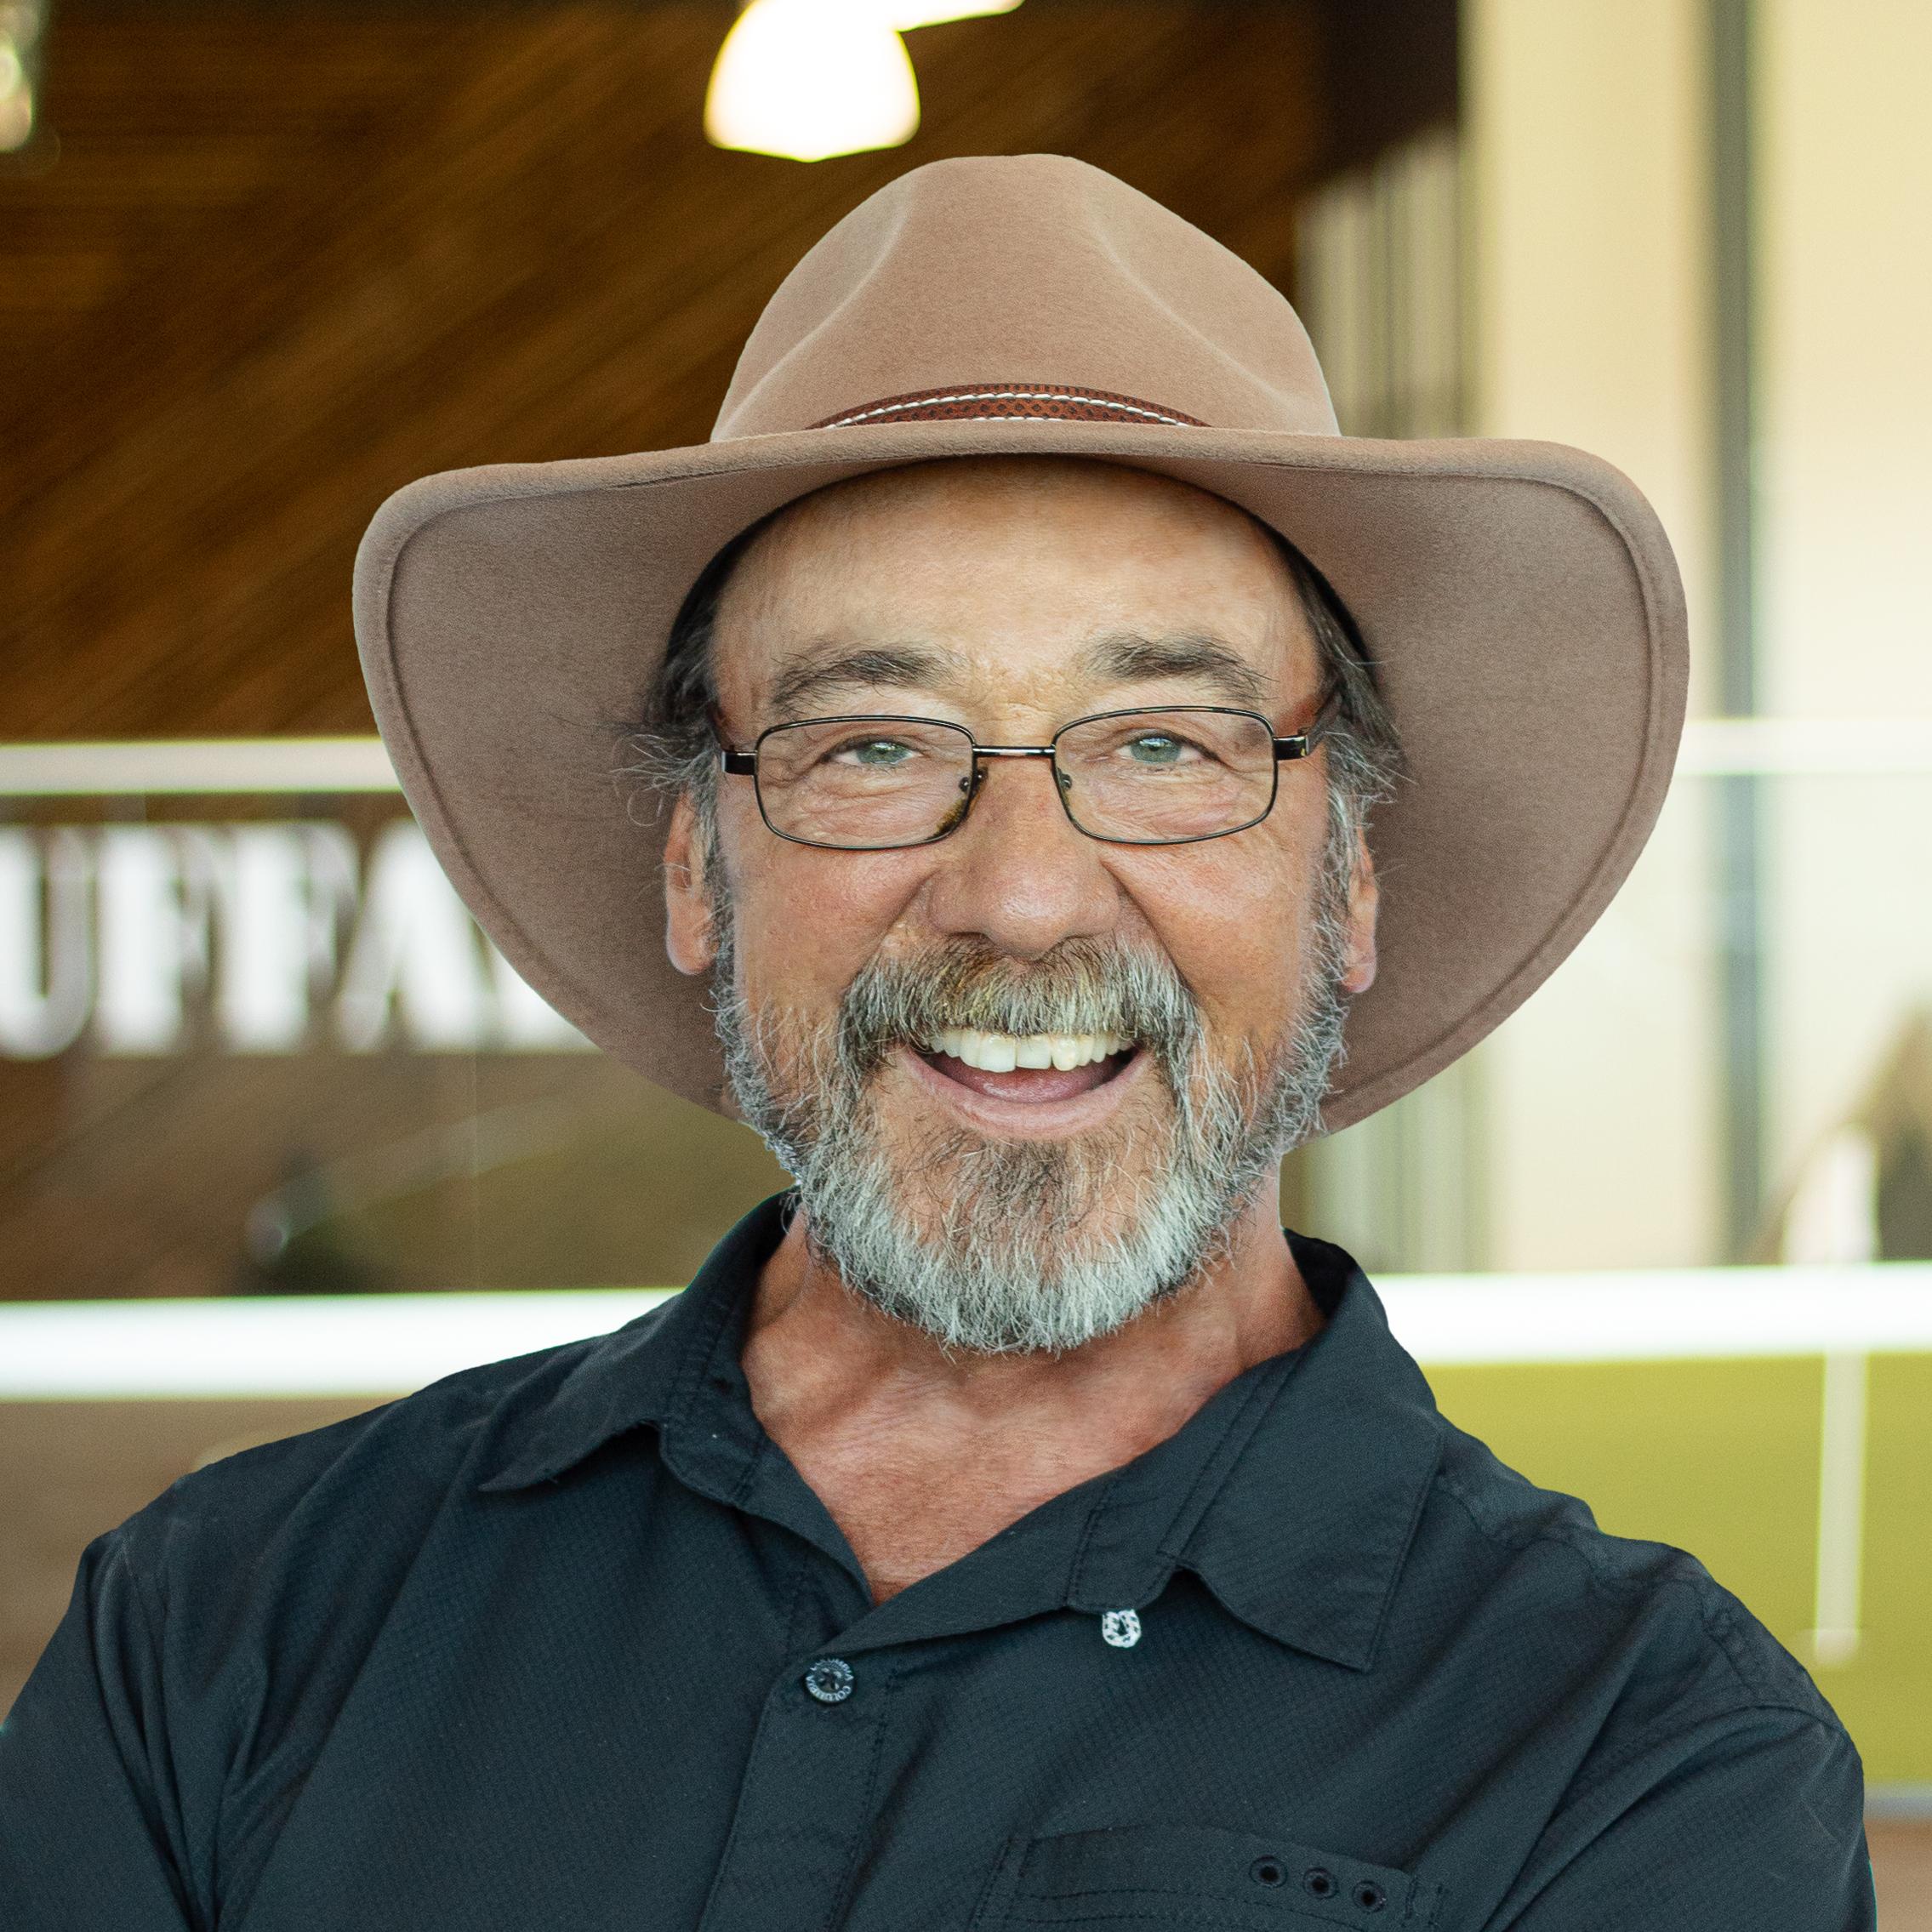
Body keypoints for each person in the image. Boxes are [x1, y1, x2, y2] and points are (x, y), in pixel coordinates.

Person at [0, 155, 1874, 1929]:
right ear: (695, 873)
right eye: (871, 746)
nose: (1024, 896)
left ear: (1349, 881)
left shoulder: (1639, 1755)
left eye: (1163, 745)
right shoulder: (231, 1624)